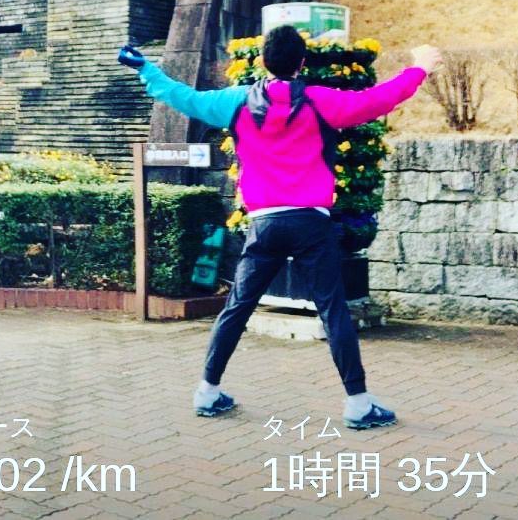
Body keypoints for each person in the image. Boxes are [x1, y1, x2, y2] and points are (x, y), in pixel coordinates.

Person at [118, 26, 442, 429]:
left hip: (265, 223)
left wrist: (146, 69)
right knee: (333, 310)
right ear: (302, 62)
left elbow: (185, 97)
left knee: (237, 307)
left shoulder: (236, 101)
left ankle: (207, 392)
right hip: (311, 223)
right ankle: (358, 404)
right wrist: (419, 68)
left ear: (263, 61)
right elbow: (376, 100)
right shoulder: (321, 101)